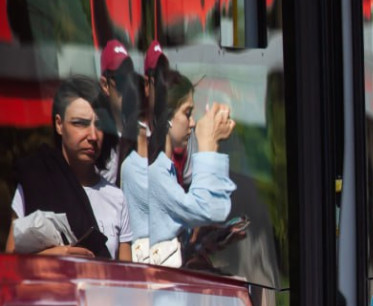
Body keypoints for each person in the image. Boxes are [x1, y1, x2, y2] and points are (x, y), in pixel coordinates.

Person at [7, 76, 132, 260]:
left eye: (99, 125)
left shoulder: (116, 198)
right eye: (80, 123)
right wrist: (60, 254)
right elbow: (11, 259)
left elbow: (127, 276)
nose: (92, 135)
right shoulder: (35, 181)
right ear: (59, 124)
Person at [122, 68, 236, 262]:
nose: (192, 123)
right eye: (187, 113)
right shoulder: (146, 172)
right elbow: (209, 209)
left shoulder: (162, 170)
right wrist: (208, 143)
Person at [98, 39, 144, 185]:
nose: (127, 87)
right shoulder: (97, 139)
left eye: (130, 79)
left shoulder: (140, 128)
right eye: (120, 80)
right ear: (105, 85)